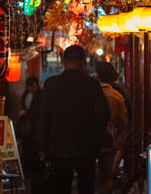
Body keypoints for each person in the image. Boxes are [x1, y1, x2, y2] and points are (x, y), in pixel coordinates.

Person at [39, 45, 110, 194]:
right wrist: (96, 136)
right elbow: (104, 112)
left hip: (59, 146)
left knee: (60, 187)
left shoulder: (51, 84)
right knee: (86, 186)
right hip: (86, 146)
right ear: (83, 62)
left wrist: (43, 145)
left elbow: (44, 117)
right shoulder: (91, 83)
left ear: (63, 61)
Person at [95, 61, 127, 194]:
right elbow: (122, 121)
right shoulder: (117, 96)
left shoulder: (88, 92)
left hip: (87, 140)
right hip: (108, 140)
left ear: (97, 75)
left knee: (86, 177)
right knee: (107, 176)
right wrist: (113, 129)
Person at [17, 76, 42, 178]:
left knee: (34, 148)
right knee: (26, 146)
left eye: (36, 86)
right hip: (26, 124)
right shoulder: (25, 95)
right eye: (32, 86)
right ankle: (27, 170)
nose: (34, 88)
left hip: (36, 125)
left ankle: (34, 171)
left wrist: (26, 112)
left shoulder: (41, 95)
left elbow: (39, 111)